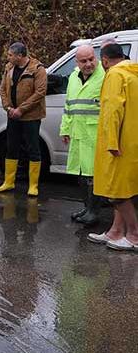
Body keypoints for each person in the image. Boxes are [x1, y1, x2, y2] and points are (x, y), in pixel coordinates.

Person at [88, 43, 138, 251]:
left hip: (119, 142)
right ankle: (116, 232)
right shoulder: (133, 74)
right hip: (132, 141)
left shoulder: (115, 75)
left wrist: (111, 141)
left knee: (115, 193)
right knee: (124, 188)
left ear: (105, 60)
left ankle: (134, 235)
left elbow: (112, 109)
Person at [0, 42, 48, 196]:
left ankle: (33, 185)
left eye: (10, 55)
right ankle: (8, 181)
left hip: (31, 116)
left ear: (20, 55)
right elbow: (2, 89)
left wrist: (21, 109)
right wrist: (8, 107)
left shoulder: (37, 69)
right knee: (11, 147)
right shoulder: (9, 68)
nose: (8, 57)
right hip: (12, 115)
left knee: (33, 148)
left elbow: (40, 92)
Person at [59, 45, 105, 225]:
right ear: (76, 62)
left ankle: (94, 211)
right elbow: (69, 105)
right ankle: (87, 208)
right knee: (81, 173)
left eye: (91, 59)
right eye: (84, 61)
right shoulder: (73, 77)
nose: (89, 64)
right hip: (78, 132)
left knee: (93, 174)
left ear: (96, 57)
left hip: (96, 134)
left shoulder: (105, 76)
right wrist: (65, 129)